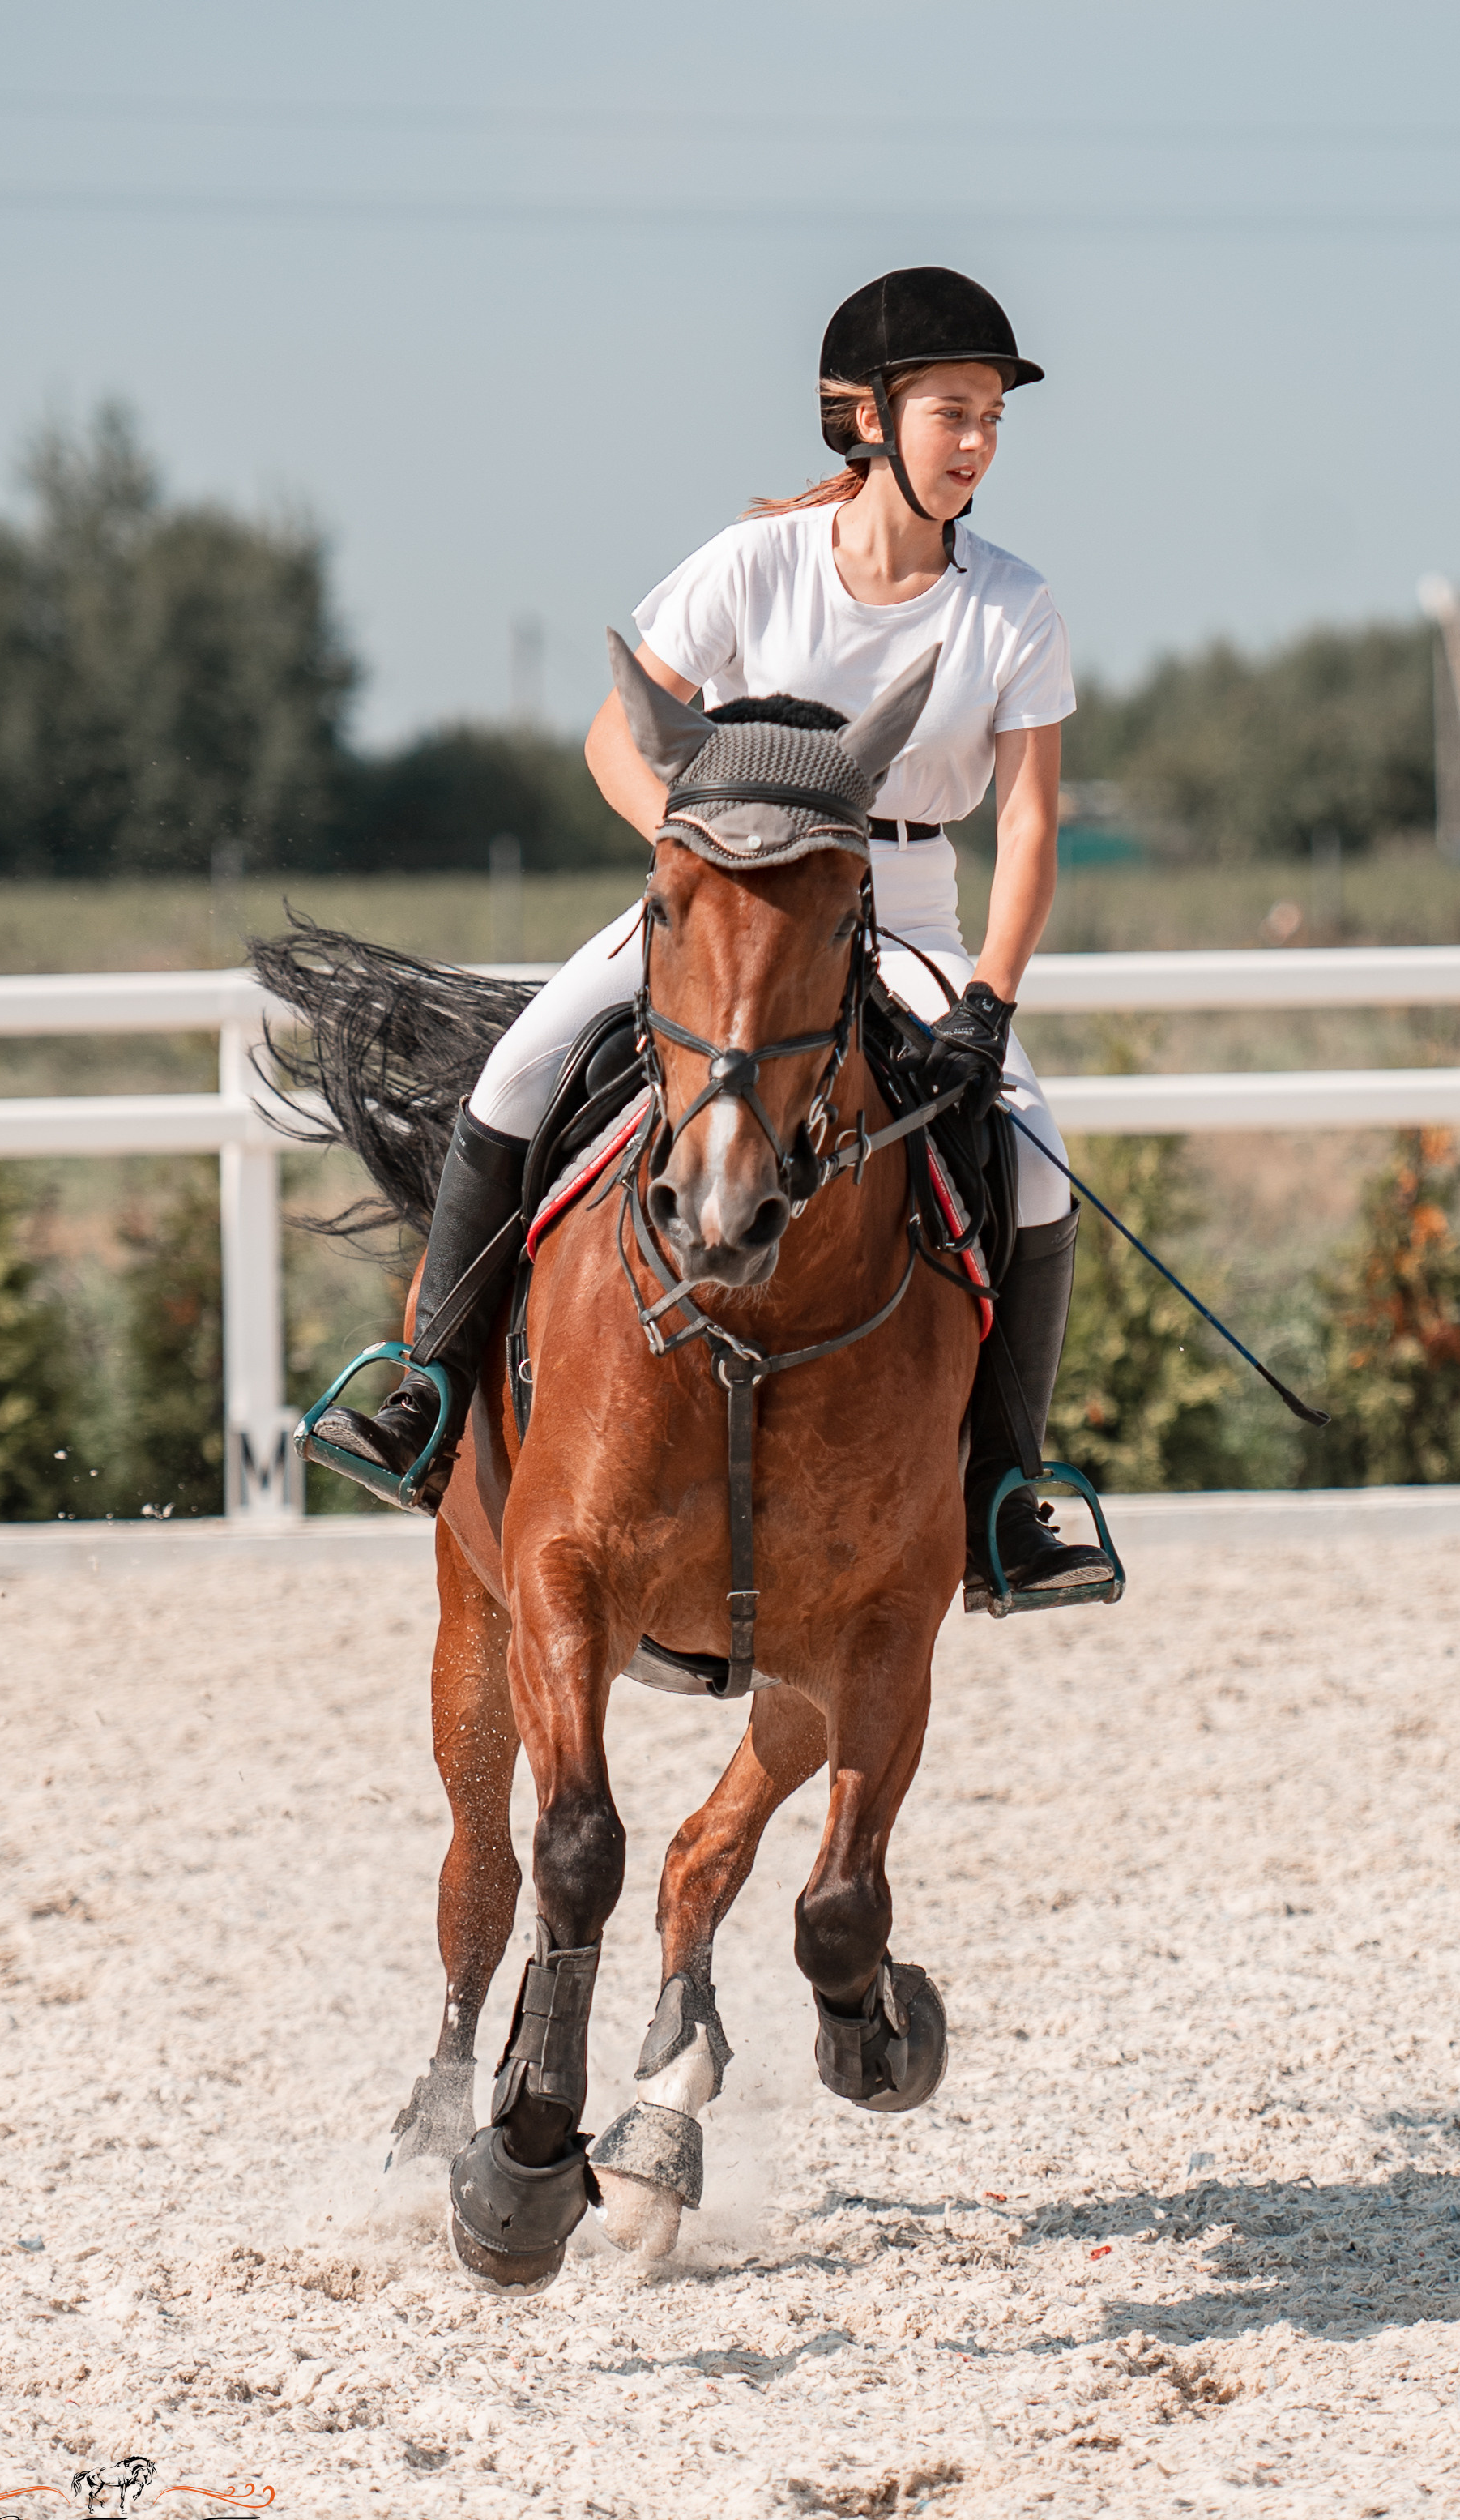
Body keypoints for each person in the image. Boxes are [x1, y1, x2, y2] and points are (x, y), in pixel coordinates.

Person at [314, 265, 1096, 1600]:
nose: (976, 443)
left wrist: (990, 1003)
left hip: (903, 913)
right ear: (870, 419)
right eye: (953, 413)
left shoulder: (1011, 606)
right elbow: (612, 739)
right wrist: (696, 861)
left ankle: (1004, 1495)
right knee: (517, 1071)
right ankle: (427, 1390)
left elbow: (1029, 830)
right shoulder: (753, 565)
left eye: (991, 420)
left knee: (1035, 1156)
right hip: (722, 904)